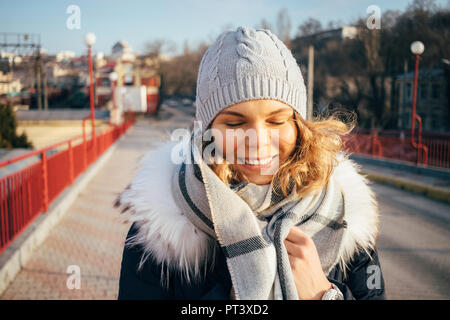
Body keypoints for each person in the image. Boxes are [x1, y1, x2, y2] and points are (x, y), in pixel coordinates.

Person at [115, 26, 386, 300]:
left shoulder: (345, 218)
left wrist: (324, 295)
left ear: (299, 126)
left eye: (276, 121)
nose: (257, 140)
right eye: (235, 123)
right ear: (206, 131)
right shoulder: (159, 233)